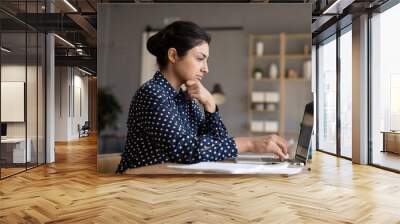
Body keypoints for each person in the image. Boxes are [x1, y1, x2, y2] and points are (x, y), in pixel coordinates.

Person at [116, 21, 288, 174]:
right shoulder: (152, 94)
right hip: (140, 188)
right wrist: (250, 144)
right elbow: (186, 150)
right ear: (173, 56)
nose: (206, 69)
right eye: (200, 59)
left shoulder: (185, 98)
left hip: (168, 186)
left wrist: (210, 105)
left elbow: (219, 146)